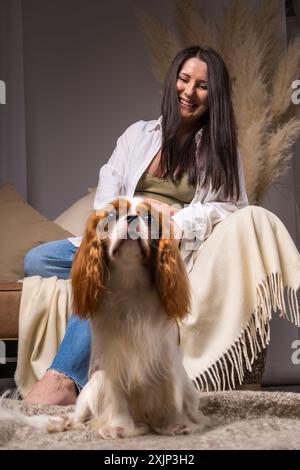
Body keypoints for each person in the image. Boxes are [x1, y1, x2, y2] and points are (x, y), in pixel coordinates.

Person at [23, 45, 249, 405]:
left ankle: (63, 380)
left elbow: (232, 207)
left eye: (202, 86)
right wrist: (120, 221)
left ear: (214, 94)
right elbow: (107, 189)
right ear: (173, 80)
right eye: (184, 79)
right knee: (36, 260)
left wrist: (176, 220)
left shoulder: (221, 147)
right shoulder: (139, 134)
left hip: (160, 245)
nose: (189, 92)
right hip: (119, 229)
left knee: (115, 267)